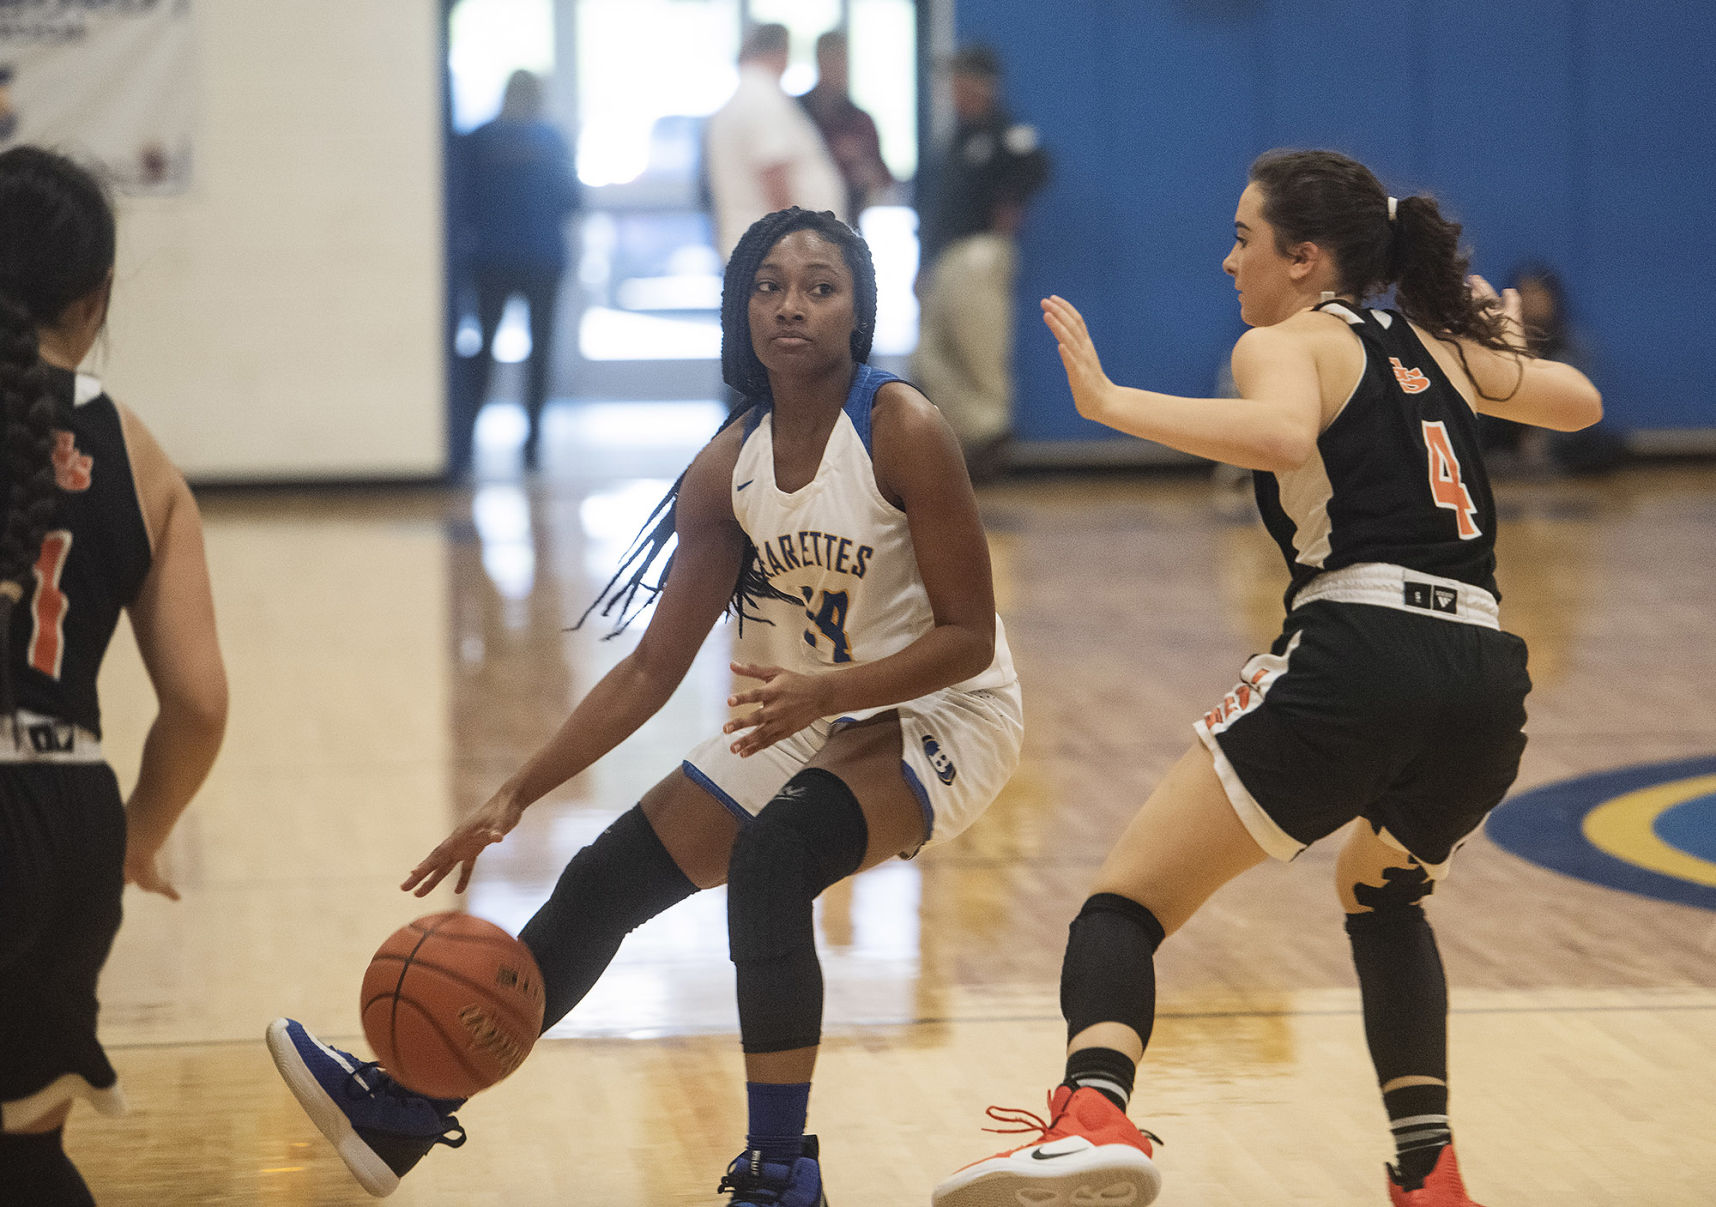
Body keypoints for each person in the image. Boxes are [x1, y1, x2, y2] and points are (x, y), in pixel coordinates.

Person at [266, 206, 1024, 1205]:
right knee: (601, 880)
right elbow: (647, 672)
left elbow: (969, 635)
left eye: (819, 287)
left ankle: (781, 1171)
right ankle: (405, 1105)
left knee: (774, 856)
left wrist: (828, 690)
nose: (791, 304)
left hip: (943, 714)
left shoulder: (902, 430)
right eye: (769, 286)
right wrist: (517, 791)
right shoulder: (731, 463)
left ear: (856, 313)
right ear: (739, 308)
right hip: (808, 711)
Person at [932, 149, 1601, 1207]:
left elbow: (1285, 432)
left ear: (1303, 258)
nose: (1227, 258)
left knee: (1125, 902)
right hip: (1483, 676)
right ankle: (1428, 1173)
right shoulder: (1438, 342)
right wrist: (1494, 331)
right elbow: (1578, 404)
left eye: (1244, 238)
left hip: (1362, 648)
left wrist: (1109, 401)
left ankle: (1093, 1113)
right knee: (1379, 887)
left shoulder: (1284, 340)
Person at [0, 145, 228, 1206]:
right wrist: (139, 829)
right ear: (94, 301)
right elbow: (198, 702)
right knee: (27, 1157)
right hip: (65, 815)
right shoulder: (135, 452)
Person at [910, 44, 1050, 481]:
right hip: (945, 257)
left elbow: (1036, 166)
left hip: (979, 253)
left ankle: (991, 442)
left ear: (984, 84)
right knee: (929, 356)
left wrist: (1011, 203)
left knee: (981, 352)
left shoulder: (1003, 131)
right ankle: (982, 431)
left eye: (963, 80)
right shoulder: (956, 138)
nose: (955, 90)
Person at [450, 69, 580, 474]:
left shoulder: (480, 139)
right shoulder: (551, 140)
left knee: (483, 347)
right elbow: (571, 199)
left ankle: (466, 440)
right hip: (542, 259)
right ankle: (532, 447)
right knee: (539, 352)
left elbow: (461, 198)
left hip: (490, 258)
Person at [704, 25, 846, 264]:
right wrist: (799, 249)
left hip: (765, 251)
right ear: (781, 52)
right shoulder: (761, 99)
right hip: (776, 255)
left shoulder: (745, 96)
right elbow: (773, 172)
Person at [797, 30, 894, 225]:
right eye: (831, 61)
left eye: (842, 62)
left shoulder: (860, 120)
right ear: (819, 61)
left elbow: (883, 177)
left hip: (846, 223)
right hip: (800, 221)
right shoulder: (796, 113)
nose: (838, 70)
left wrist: (864, 169)